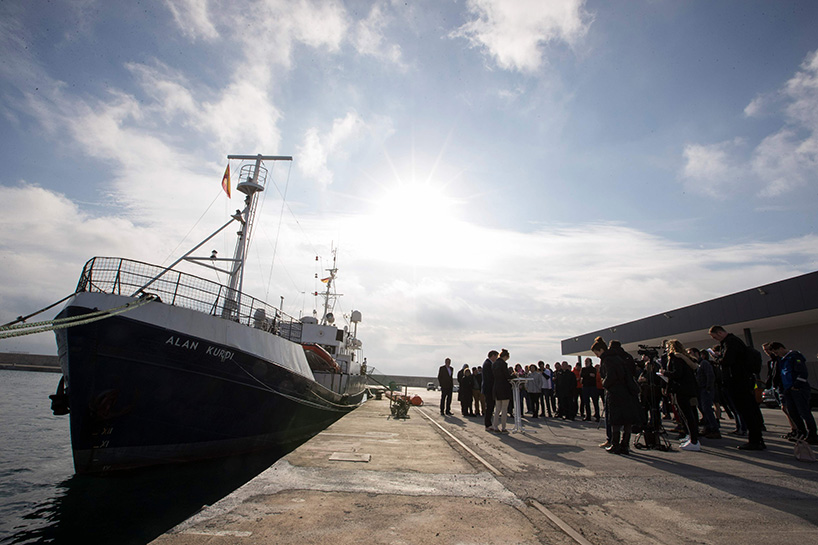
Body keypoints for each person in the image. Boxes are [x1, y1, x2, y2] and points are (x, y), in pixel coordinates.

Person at [708, 325, 765, 450]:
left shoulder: (731, 342)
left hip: (739, 380)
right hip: (742, 379)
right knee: (749, 410)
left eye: (715, 336)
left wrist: (717, 358)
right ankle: (757, 438)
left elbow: (728, 360)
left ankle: (755, 440)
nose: (715, 339)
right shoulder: (733, 342)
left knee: (746, 410)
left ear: (720, 333)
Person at [592, 336, 641, 455]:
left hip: (616, 392)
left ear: (601, 350)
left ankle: (615, 444)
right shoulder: (625, 357)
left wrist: (604, 383)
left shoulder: (608, 359)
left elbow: (611, 376)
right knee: (627, 420)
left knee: (615, 420)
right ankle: (625, 445)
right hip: (628, 392)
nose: (597, 356)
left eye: (596, 353)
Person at [769, 342, 818, 444]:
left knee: (804, 412)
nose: (776, 354)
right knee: (793, 412)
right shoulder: (781, 359)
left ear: (781, 348)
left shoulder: (795, 357)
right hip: (787, 389)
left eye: (776, 352)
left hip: (798, 389)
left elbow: (803, 372)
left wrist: (796, 385)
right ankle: (801, 432)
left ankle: (812, 434)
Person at [663, 340, 701, 451]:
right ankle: (691, 437)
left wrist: (665, 373)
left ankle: (694, 440)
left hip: (681, 389)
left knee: (686, 415)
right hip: (689, 389)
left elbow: (677, 374)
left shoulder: (675, 358)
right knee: (689, 414)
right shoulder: (686, 359)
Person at [691, 348, 720, 439]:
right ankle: (708, 427)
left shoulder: (704, 363)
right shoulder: (696, 364)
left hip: (705, 389)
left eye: (690, 353)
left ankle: (714, 429)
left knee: (707, 408)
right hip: (699, 389)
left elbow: (710, 375)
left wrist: (708, 388)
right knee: (703, 409)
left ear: (696, 353)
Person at [492, 349, 512, 433]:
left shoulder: (494, 364)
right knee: (504, 409)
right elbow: (507, 376)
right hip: (504, 388)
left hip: (496, 387)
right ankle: (503, 427)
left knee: (497, 409)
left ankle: (495, 426)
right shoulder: (503, 364)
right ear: (506, 357)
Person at [482, 350, 498, 431]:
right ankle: (488, 424)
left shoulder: (488, 363)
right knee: (489, 406)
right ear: (493, 356)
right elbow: (490, 378)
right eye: (496, 356)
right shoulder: (488, 364)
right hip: (489, 389)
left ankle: (488, 423)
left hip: (489, 388)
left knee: (491, 406)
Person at [580, 357, 600, 422]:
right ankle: (588, 416)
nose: (586, 363)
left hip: (592, 387)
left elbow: (593, 375)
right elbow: (582, 375)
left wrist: (586, 375)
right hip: (585, 386)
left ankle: (597, 416)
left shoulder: (593, 369)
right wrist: (588, 374)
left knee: (595, 402)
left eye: (587, 361)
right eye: (585, 362)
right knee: (586, 402)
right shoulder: (583, 369)